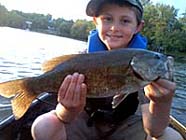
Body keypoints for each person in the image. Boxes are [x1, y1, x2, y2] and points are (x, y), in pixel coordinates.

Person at [31, 0, 183, 140]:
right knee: (44, 126)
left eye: (125, 21)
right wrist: (67, 109)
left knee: (171, 137)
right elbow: (63, 117)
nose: (114, 28)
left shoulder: (145, 69)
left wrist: (162, 102)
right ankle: (29, 88)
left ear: (138, 27)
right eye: (107, 19)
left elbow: (154, 130)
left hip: (125, 126)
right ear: (95, 22)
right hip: (83, 120)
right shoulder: (80, 60)